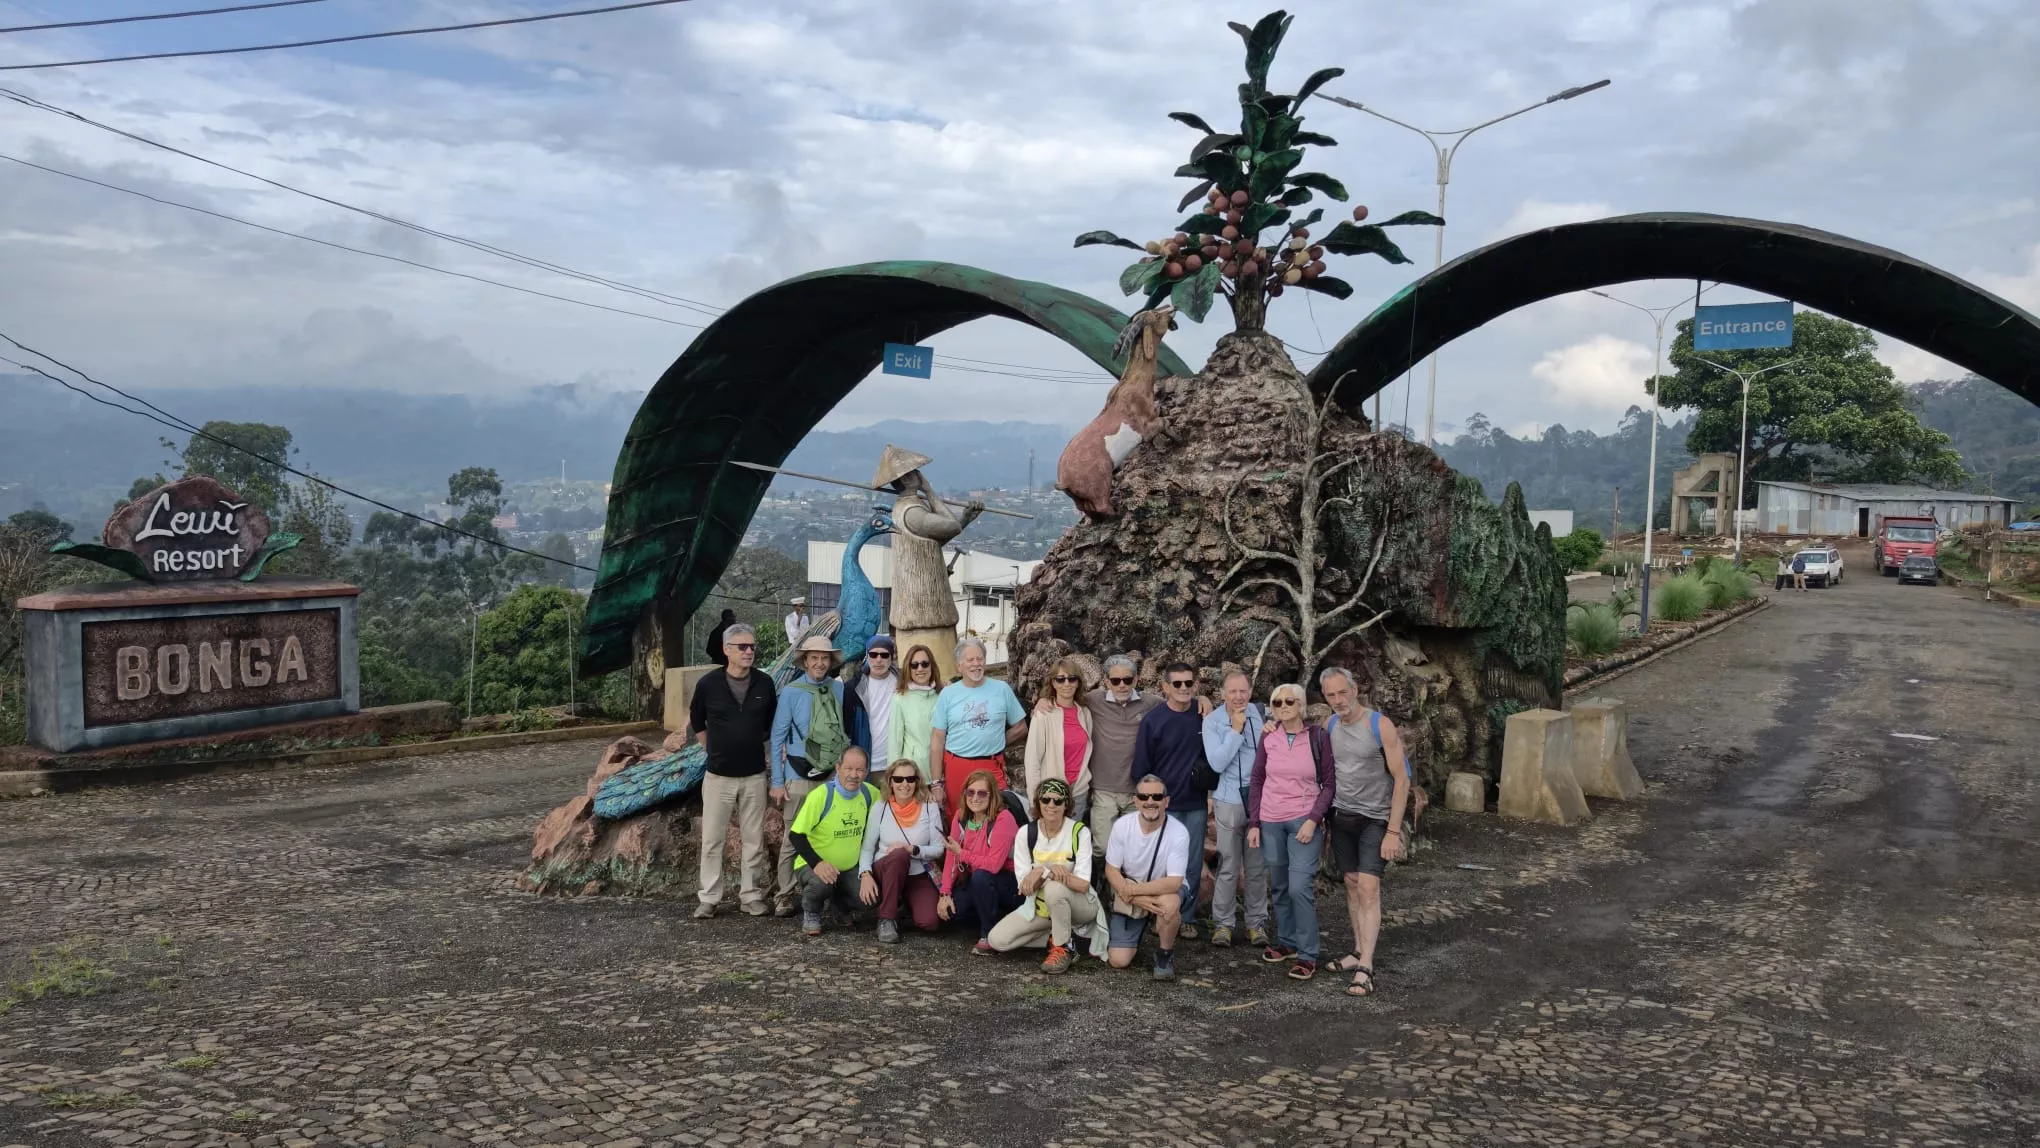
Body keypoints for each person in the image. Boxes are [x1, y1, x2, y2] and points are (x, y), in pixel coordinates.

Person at [1317, 667, 1409, 997]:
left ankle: (1365, 966)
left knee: (1369, 887)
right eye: (1331, 695)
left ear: (1355, 689)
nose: (1338, 700)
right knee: (1353, 884)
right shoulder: (1329, 725)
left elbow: (1402, 779)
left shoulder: (1378, 724)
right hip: (1342, 817)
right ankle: (1357, 949)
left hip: (1376, 818)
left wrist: (1394, 831)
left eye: (1343, 692)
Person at [1247, 682, 1336, 982]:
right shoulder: (1268, 738)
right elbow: (1257, 779)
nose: (1283, 706)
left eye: (1289, 701)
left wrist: (1314, 819)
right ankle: (1287, 943)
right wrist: (1254, 823)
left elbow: (1330, 784)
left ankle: (1308, 954)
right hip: (1271, 820)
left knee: (1300, 887)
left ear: (1301, 705)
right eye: (1277, 702)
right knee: (1280, 887)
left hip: (1303, 821)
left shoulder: (1317, 737)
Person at [688, 622, 777, 919]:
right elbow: (698, 723)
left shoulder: (764, 684)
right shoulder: (708, 684)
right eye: (742, 646)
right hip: (719, 776)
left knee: (753, 839)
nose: (749, 651)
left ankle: (750, 895)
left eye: (752, 646)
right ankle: (709, 897)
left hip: (753, 774)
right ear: (727, 650)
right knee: (713, 839)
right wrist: (713, 749)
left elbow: (770, 725)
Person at [769, 634, 853, 917]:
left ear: (831, 662)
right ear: (805, 661)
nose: (819, 663)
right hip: (799, 773)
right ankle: (785, 893)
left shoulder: (839, 690)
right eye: (814, 658)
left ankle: (827, 890)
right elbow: (777, 736)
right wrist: (778, 781)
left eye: (824, 658)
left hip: (832, 775)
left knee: (829, 834)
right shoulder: (792, 692)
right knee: (793, 835)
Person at [987, 778, 1102, 972]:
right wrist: (1044, 870)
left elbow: (1083, 885)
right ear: (1038, 802)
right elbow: (1025, 887)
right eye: (1046, 799)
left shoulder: (1078, 832)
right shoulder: (1027, 833)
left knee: (1055, 888)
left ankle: (1063, 948)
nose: (1051, 805)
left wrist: (1045, 873)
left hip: (1081, 905)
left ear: (1067, 804)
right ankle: (1060, 935)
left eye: (1058, 801)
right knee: (997, 941)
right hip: (1040, 909)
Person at [1131, 662, 1210, 939]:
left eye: (1189, 683)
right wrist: (1148, 802)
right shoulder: (1153, 720)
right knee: (1161, 864)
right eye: (1177, 684)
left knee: (1192, 863)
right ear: (1165, 687)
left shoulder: (1203, 715)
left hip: (1196, 803)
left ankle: (1186, 917)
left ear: (1196, 685)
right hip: (1164, 805)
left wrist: (1206, 702)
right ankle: (1160, 914)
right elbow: (1142, 766)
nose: (1184, 688)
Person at [1201, 670, 1269, 948]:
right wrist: (1236, 730)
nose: (1238, 697)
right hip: (1228, 800)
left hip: (1259, 800)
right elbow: (1217, 763)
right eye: (1233, 691)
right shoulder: (1213, 722)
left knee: (1255, 867)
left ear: (1250, 691)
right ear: (1223, 693)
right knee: (1228, 865)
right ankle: (1223, 925)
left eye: (1243, 691)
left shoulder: (1260, 714)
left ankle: (1257, 924)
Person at [1103, 773, 1192, 980]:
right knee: (1118, 960)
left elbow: (1174, 881)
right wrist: (1133, 896)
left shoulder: (1178, 832)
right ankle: (1133, 933)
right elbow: (1111, 869)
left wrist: (1133, 892)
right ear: (1135, 801)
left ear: (1166, 801)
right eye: (1143, 797)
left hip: (1162, 889)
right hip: (1132, 887)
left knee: (1169, 904)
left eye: (1156, 797)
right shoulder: (1122, 826)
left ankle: (1164, 954)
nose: (1150, 802)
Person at [928, 637, 1027, 821]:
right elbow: (937, 739)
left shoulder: (1001, 689)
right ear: (959, 665)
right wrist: (936, 783)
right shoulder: (948, 694)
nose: (976, 664)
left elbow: (1021, 726)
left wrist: (998, 740)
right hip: (957, 765)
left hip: (991, 765)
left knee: (994, 816)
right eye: (970, 660)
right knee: (958, 818)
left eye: (980, 659)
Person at [786, 746, 878, 937]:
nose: (854, 775)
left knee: (870, 899)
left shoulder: (871, 794)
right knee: (821, 884)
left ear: (866, 772)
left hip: (850, 867)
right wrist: (817, 863)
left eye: (860, 770)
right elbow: (795, 835)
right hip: (814, 865)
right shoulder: (821, 795)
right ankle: (811, 912)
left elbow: (896, 802)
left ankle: (839, 905)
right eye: (848, 768)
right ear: (838, 768)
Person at [1080, 654, 1161, 860]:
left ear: (1136, 680)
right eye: (1115, 680)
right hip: (1103, 789)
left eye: (1128, 680)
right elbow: (1062, 695)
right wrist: (1044, 701)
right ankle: (1102, 888)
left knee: (1134, 850)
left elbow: (1179, 702)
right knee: (1103, 848)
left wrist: (1203, 701)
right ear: (1106, 681)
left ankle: (1125, 890)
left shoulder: (1150, 703)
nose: (1122, 685)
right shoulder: (1093, 700)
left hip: (1137, 790)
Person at [858, 758, 946, 942]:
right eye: (898, 779)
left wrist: (912, 849)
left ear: (917, 781)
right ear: (890, 781)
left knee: (929, 922)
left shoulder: (929, 807)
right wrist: (865, 874)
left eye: (910, 779)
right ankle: (887, 919)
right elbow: (867, 849)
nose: (904, 784)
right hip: (886, 869)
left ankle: (904, 904)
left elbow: (939, 849)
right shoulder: (880, 807)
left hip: (918, 873)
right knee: (898, 856)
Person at [937, 770, 1022, 954]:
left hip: (1009, 883)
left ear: (992, 796)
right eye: (971, 792)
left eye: (982, 793)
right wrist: (945, 893)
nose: (975, 798)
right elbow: (952, 856)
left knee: (982, 877)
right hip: (979, 879)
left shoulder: (1003, 819)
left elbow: (993, 865)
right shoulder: (961, 817)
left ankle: (987, 934)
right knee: (953, 912)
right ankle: (996, 917)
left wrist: (962, 853)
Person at [1022, 658, 1094, 823]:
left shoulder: (1085, 713)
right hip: (1051, 796)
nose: (1066, 684)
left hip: (1079, 792)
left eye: (1072, 678)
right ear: (1052, 683)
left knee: (1073, 843)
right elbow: (1032, 760)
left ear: (1078, 682)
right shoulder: (1043, 714)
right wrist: (1035, 799)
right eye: (1060, 679)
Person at [887, 643, 942, 783]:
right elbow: (895, 742)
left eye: (925, 664)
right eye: (914, 665)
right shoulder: (900, 698)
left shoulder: (943, 696)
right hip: (913, 777)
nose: (920, 669)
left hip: (942, 775)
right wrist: (893, 778)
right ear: (908, 668)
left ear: (932, 666)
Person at [846, 635, 897, 766]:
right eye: (874, 655)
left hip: (894, 763)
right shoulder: (853, 687)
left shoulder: (903, 681)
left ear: (891, 657)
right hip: (863, 764)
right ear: (867, 657)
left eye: (884, 655)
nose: (878, 660)